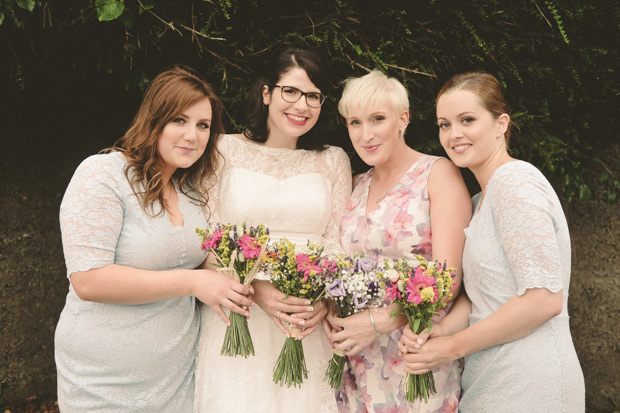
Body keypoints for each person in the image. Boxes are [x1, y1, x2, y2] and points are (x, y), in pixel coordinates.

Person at [54, 66, 254, 412]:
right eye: (179, 120)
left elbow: (204, 262)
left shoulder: (190, 191)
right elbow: (88, 280)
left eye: (203, 125)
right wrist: (192, 282)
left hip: (177, 377)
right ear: (154, 120)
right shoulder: (103, 175)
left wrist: (254, 271)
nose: (192, 135)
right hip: (104, 379)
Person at [398, 72, 586, 412]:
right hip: (489, 377)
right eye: (444, 124)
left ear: (501, 123)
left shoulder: (516, 182)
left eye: (467, 120)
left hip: (531, 379)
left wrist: (453, 347)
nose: (454, 134)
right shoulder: (478, 201)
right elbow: (481, 298)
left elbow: (544, 300)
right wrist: (435, 332)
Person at [193, 47, 352, 412]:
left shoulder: (333, 160)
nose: (302, 105)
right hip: (237, 316)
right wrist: (256, 290)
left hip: (305, 321)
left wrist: (324, 301)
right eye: (291, 91)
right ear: (266, 93)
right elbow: (206, 240)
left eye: (313, 96)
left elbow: (336, 241)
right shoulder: (223, 150)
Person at [328, 70, 472, 412]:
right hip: (356, 356)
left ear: (402, 119)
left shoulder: (438, 174)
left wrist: (379, 323)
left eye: (377, 119)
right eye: (354, 122)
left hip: (416, 350)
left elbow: (448, 278)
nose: (366, 135)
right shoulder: (354, 182)